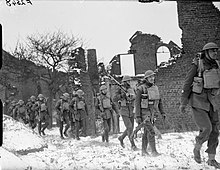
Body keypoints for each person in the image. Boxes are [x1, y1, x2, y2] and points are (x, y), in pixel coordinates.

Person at [179, 42, 220, 168]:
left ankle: (211, 159)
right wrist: (183, 102)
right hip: (198, 101)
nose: (215, 53)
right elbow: (187, 82)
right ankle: (198, 146)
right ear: (206, 52)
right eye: (212, 51)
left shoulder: (217, 65)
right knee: (207, 128)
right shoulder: (197, 64)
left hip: (213, 101)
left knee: (215, 131)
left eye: (216, 51)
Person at [134, 70, 166, 157]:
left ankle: (144, 151)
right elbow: (137, 103)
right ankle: (154, 151)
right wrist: (138, 116)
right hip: (144, 114)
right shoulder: (141, 89)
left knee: (146, 132)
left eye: (153, 77)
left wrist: (162, 112)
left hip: (152, 113)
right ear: (146, 78)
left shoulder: (155, 88)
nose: (152, 78)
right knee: (151, 131)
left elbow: (159, 101)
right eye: (150, 77)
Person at [115, 75, 137, 150]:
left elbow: (135, 97)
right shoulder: (120, 89)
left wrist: (131, 96)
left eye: (129, 81)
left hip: (131, 109)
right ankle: (133, 145)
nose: (129, 82)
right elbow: (115, 98)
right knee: (129, 127)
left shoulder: (131, 89)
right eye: (128, 81)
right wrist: (123, 95)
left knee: (131, 127)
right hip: (124, 110)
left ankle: (121, 138)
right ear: (124, 82)